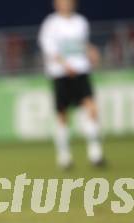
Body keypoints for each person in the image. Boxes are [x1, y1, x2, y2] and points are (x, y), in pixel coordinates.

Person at [38, 0, 105, 169]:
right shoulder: (51, 24)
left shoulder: (81, 22)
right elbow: (49, 48)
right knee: (62, 115)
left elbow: (81, 45)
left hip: (81, 71)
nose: (65, 4)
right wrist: (64, 65)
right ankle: (64, 156)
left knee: (91, 109)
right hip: (60, 74)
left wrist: (91, 50)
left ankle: (95, 154)